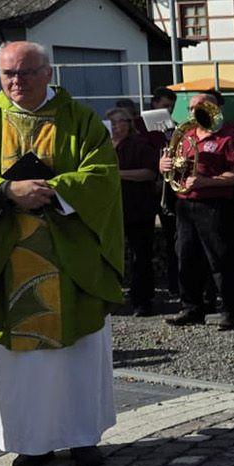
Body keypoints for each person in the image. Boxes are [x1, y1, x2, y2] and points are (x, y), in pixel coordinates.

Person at [0, 41, 125, 466]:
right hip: (8, 262)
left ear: (48, 73)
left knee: (78, 353)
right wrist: (6, 190)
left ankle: (83, 438)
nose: (15, 82)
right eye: (7, 74)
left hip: (70, 261)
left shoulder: (79, 120)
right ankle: (32, 442)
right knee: (22, 364)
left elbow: (101, 175)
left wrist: (53, 191)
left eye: (25, 73)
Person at [161, 90, 234, 330]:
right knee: (186, 256)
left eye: (199, 106)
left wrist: (207, 181)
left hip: (215, 205)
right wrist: (164, 166)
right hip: (185, 204)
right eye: (190, 108)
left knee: (221, 259)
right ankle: (191, 308)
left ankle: (231, 310)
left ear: (213, 109)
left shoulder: (227, 136)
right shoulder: (185, 135)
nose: (193, 112)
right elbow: (175, 166)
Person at [108, 106, 160, 315]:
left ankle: (142, 301)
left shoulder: (140, 145)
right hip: (111, 209)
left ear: (129, 125)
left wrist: (118, 174)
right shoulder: (102, 146)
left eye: (121, 122)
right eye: (112, 123)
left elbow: (149, 173)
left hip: (138, 208)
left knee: (141, 257)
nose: (116, 126)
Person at [149, 87, 181, 300]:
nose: (168, 110)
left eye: (171, 106)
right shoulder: (141, 126)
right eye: (164, 106)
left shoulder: (174, 127)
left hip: (168, 189)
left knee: (173, 238)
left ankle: (175, 284)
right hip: (148, 189)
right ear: (154, 104)